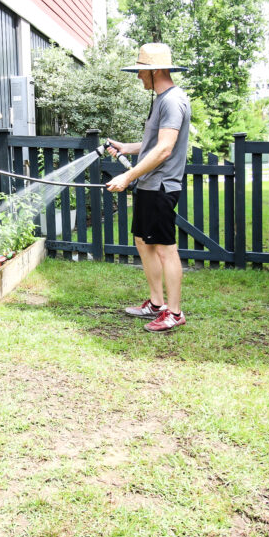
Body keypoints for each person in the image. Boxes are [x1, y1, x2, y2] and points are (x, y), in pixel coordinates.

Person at [105, 43, 191, 333]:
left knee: (166, 249)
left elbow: (165, 149)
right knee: (143, 240)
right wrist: (126, 148)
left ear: (155, 71)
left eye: (142, 72)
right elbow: (155, 143)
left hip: (161, 185)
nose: (139, 77)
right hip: (150, 183)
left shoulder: (172, 101)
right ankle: (156, 304)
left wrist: (127, 178)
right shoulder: (161, 100)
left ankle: (174, 312)